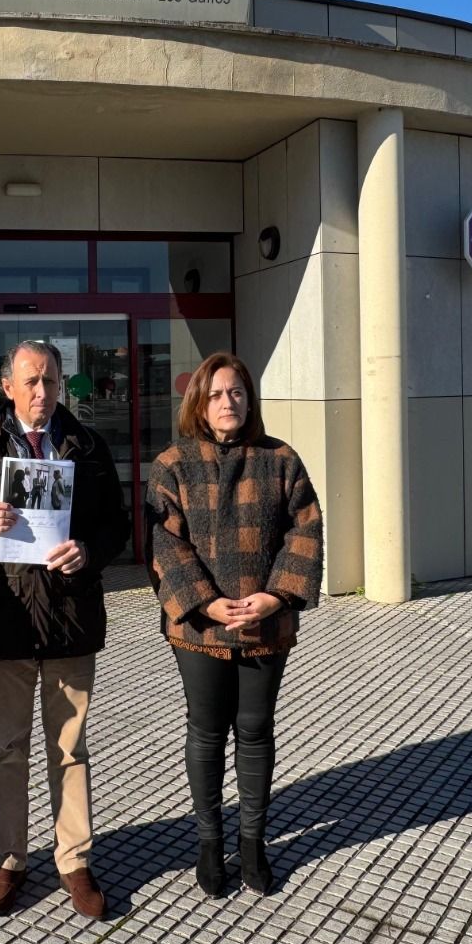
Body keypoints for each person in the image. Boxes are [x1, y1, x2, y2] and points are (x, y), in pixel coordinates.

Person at [0, 341, 131, 919]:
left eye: (49, 380)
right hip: (5, 619)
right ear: (7, 387)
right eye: (30, 382)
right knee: (8, 748)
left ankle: (73, 859)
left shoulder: (88, 447)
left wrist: (89, 552)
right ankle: (10, 859)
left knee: (70, 747)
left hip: (70, 616)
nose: (41, 392)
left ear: (61, 382)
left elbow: (117, 528)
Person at [145, 352, 323, 898]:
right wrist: (204, 603)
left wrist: (275, 597)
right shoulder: (173, 463)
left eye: (237, 393)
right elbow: (163, 542)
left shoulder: (281, 459)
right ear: (200, 401)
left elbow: (306, 529)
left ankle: (252, 843)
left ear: (250, 399)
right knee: (205, 730)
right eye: (217, 394)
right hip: (200, 628)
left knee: (254, 729)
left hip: (265, 622)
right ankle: (207, 841)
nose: (228, 402)